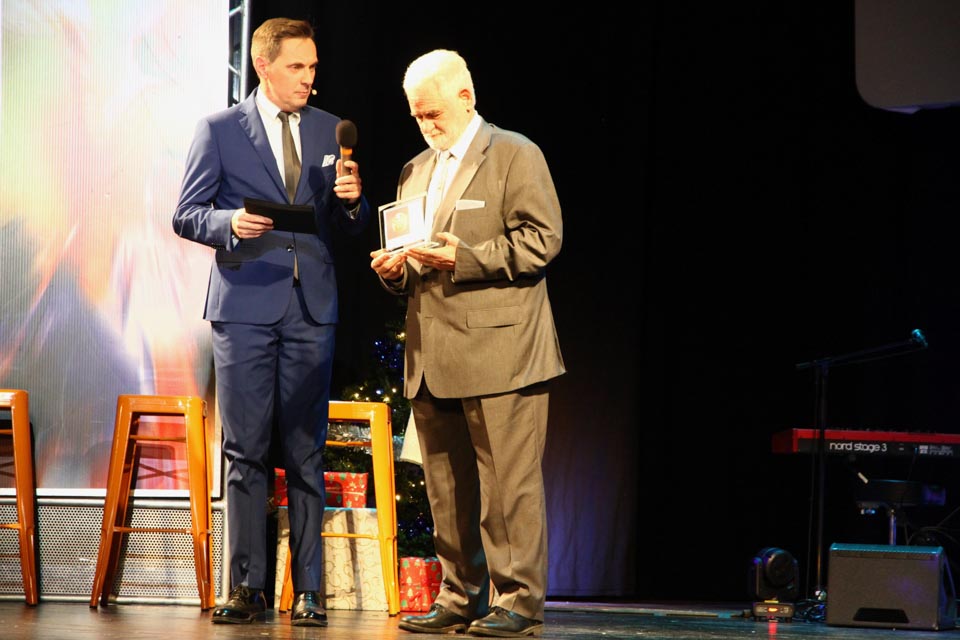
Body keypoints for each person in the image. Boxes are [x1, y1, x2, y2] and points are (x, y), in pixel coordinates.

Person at [172, 17, 369, 627]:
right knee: (245, 449)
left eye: (313, 67)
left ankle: (308, 589)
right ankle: (246, 586)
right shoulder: (219, 130)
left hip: (312, 307)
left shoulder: (329, 130)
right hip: (245, 308)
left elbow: (348, 228)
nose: (308, 78)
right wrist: (228, 223)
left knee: (307, 449)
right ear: (263, 66)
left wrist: (353, 204)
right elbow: (186, 214)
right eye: (296, 67)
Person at [370, 49, 565, 638]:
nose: (425, 125)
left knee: (508, 487)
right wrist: (395, 272)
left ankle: (518, 600)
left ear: (466, 97)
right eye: (416, 116)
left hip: (503, 353)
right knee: (446, 487)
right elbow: (414, 260)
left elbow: (542, 240)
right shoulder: (414, 171)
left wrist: (467, 258)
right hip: (433, 353)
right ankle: (459, 595)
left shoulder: (514, 154)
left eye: (433, 113)